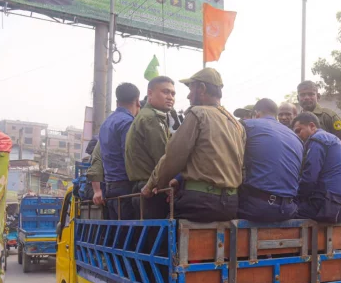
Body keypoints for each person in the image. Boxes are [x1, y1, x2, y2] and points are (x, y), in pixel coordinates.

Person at [142, 68, 245, 222]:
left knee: (160, 234)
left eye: (191, 90)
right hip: (230, 204)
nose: (189, 96)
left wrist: (152, 185)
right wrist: (178, 180)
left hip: (200, 202)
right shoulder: (236, 124)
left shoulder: (198, 113)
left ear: (202, 89)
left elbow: (173, 158)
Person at [239, 98, 303, 222]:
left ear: (256, 113)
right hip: (289, 209)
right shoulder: (296, 137)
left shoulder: (248, 125)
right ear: (276, 115)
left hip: (258, 207)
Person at [292, 112, 341, 223]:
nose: (297, 136)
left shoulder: (317, 139)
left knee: (283, 211)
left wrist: (293, 198)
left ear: (312, 126)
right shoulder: (332, 139)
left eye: (299, 131)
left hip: (328, 205)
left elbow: (309, 178)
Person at [125, 76, 176, 219]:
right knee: (156, 239)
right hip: (151, 189)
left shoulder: (150, 116)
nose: (170, 97)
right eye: (165, 92)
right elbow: (164, 158)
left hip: (144, 187)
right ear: (150, 93)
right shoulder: (151, 119)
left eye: (173, 93)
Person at [297, 80, 341, 175]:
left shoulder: (329, 116)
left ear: (318, 96)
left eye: (311, 94)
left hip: (331, 172)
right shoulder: (296, 122)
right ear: (298, 98)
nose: (307, 97)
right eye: (302, 95)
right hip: (307, 175)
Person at [99, 82, 141, 220]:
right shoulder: (127, 122)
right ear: (137, 101)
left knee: (119, 236)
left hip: (110, 186)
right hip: (125, 187)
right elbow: (129, 156)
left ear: (117, 102)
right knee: (129, 236)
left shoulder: (106, 123)